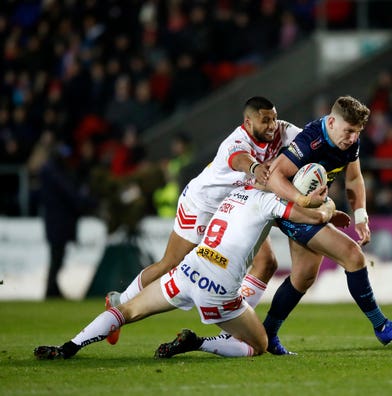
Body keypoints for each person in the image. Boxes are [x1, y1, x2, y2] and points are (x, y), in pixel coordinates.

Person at [34, 183, 340, 359]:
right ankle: (198, 342)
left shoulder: (235, 193)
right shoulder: (269, 201)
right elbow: (306, 217)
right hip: (217, 286)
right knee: (258, 345)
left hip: (190, 268)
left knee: (127, 310)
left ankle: (68, 347)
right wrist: (325, 207)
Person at [103, 96, 304, 344]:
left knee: (267, 263)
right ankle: (118, 302)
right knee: (171, 263)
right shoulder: (236, 141)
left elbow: (309, 141)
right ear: (248, 122)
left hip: (234, 206)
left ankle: (232, 333)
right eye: (265, 120)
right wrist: (254, 169)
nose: (272, 125)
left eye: (273, 118)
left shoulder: (282, 130)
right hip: (202, 205)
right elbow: (241, 159)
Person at [261, 95, 392, 354]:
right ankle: (382, 327)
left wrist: (361, 217)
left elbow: (354, 179)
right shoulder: (311, 141)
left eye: (357, 132)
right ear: (331, 122)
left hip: (308, 208)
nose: (353, 138)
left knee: (304, 276)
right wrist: (302, 202)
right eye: (349, 131)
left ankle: (267, 334)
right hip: (286, 208)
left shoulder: (348, 141)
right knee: (352, 255)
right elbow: (275, 176)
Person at [40, 143, 95, 298]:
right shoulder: (54, 172)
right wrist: (89, 202)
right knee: (57, 256)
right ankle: (51, 290)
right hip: (58, 221)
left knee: (58, 256)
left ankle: (53, 289)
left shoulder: (53, 170)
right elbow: (70, 194)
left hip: (57, 221)